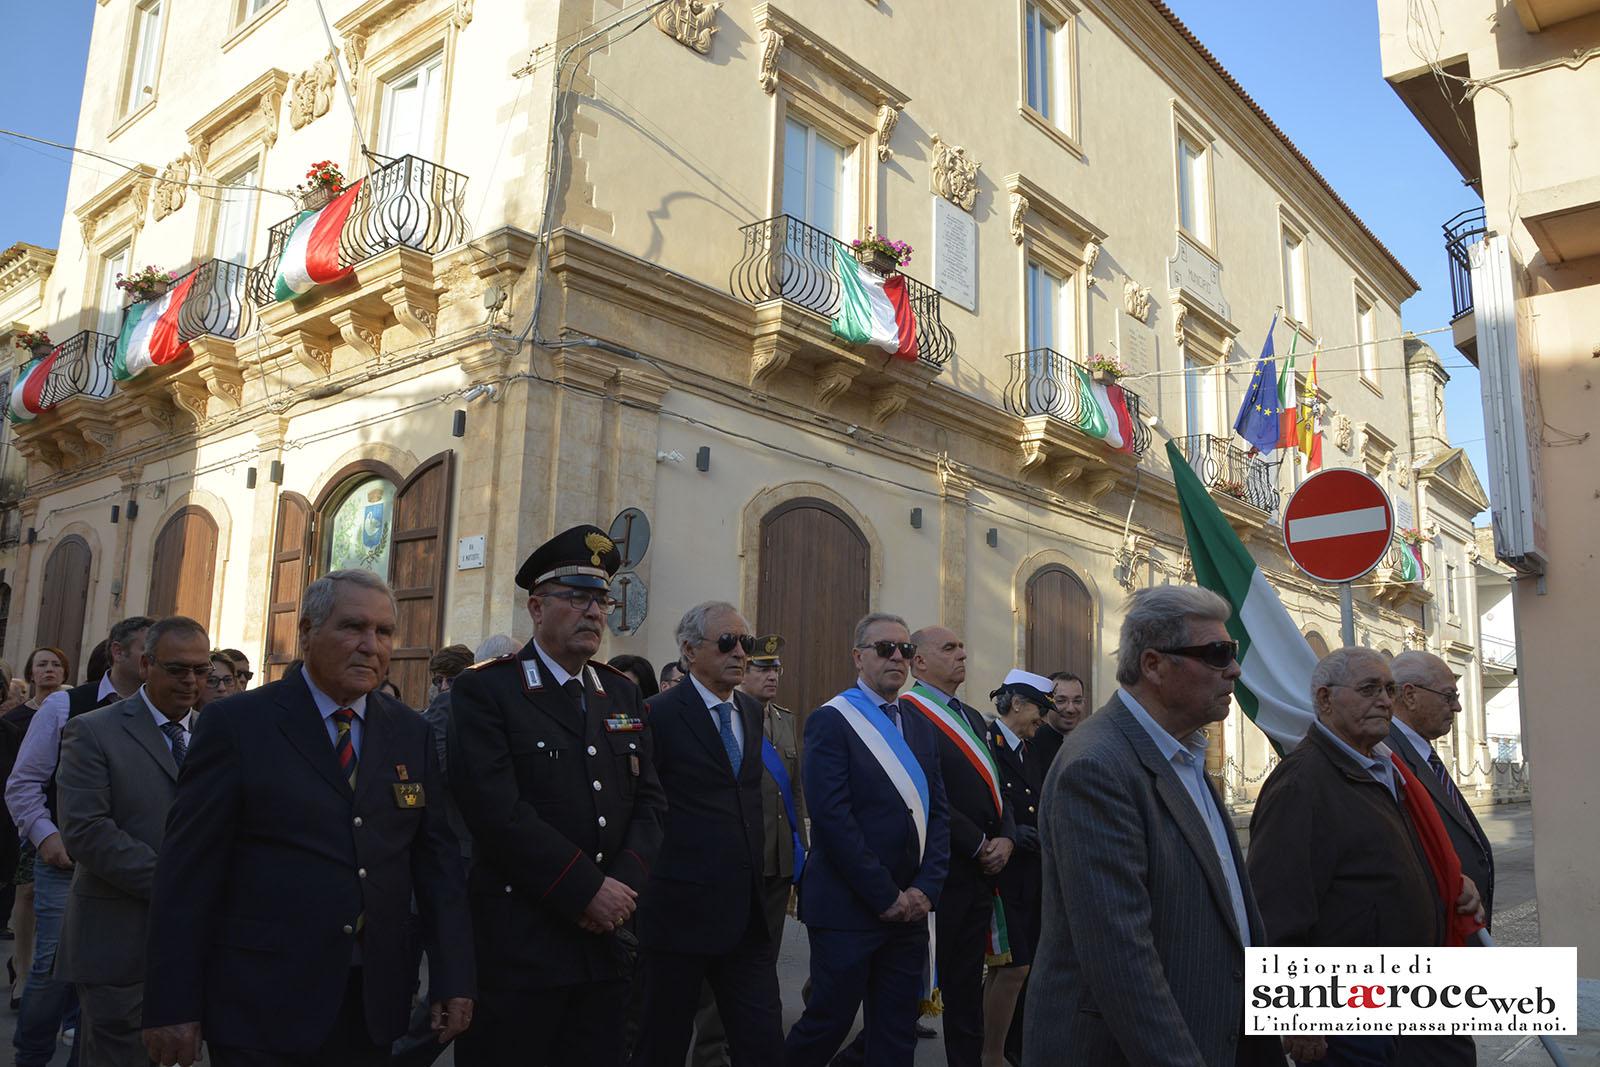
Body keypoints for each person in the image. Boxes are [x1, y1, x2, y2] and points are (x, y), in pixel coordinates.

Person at [141, 572, 474, 1067]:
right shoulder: (238, 725)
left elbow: (437, 863)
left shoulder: (410, 731)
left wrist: (452, 976)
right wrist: (171, 1003)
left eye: (383, 633)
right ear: (307, 631)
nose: (369, 646)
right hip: (262, 1004)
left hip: (372, 1003)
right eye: (353, 627)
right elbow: (186, 872)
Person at [1023, 586, 1281, 1067]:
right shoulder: (1097, 767)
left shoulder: (1181, 750)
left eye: (1234, 653)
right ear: (1154, 665)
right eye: (1218, 654)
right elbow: (1121, 961)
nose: (1235, 670)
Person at [447, 525, 666, 1067]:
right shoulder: (487, 689)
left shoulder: (620, 691)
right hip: (523, 943)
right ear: (536, 607)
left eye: (602, 600)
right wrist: (586, 892)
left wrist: (619, 890)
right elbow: (496, 812)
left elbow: (652, 804)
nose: (594, 612)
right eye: (577, 598)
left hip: (606, 943)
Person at [1248, 647, 1483, 1067]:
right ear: (1324, 699)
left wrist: (1446, 883)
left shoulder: (1384, 767)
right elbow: (1277, 907)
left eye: (1390, 689)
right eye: (1369, 689)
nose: (1385, 701)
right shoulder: (1302, 782)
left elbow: (1386, 860)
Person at [784, 613, 950, 1067]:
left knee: (896, 1035)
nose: (897, 657)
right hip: (849, 908)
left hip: (910, 911)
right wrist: (885, 895)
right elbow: (833, 820)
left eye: (905, 650)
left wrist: (925, 891)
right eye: (884, 649)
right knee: (828, 1023)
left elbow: (939, 814)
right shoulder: (832, 721)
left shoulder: (920, 726)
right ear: (859, 657)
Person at [631, 604, 782, 1067]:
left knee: (763, 1044)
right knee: (662, 1044)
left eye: (746, 644)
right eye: (727, 643)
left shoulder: (751, 715)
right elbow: (641, 809)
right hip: (678, 916)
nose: (740, 653)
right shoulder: (657, 714)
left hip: (745, 917)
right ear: (689, 650)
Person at [55, 616, 208, 1065]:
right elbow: (86, 832)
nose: (191, 681)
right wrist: (177, 884)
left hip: (201, 944)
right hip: (119, 945)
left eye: (201, 671)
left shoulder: (222, 735)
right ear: (145, 664)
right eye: (178, 669)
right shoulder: (94, 730)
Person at [7, 616, 151, 1067]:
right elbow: (25, 782)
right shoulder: (66, 706)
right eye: (148, 652)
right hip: (66, 865)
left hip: (130, 867)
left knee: (110, 979)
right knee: (54, 971)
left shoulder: (165, 709)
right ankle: (31, 1055)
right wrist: (47, 838)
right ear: (118, 652)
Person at [889, 626, 1011, 1067]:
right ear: (919, 662)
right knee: (909, 997)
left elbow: (999, 788)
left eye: (962, 646)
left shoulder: (973, 717)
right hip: (942, 873)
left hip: (982, 873)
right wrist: (978, 843)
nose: (962, 653)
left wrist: (1008, 837)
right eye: (949, 648)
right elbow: (926, 794)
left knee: (965, 992)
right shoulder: (909, 714)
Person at [690, 634, 806, 1067]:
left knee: (762, 960)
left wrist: (801, 853)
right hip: (738, 862)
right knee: (721, 961)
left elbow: (794, 794)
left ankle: (750, 1041)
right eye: (762, 668)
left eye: (775, 669)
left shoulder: (785, 720)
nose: (771, 676)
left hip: (776, 860)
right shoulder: (727, 717)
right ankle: (709, 1047)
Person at [1390, 651, 1495, 926]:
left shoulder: (1420, 752)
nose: (1457, 707)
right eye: (1449, 696)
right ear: (1410, 696)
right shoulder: (1388, 757)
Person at [981, 670, 1052, 1067]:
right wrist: (1010, 830)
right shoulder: (987, 743)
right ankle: (990, 1055)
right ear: (1017, 703)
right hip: (1003, 872)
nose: (1041, 720)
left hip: (1030, 872)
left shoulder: (1031, 748)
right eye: (1039, 710)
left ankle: (995, 1048)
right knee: (1012, 967)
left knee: (1012, 970)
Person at [2, 647, 70, 1013]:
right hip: (24, 815)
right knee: (25, 892)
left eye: (56, 664)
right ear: (30, 672)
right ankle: (24, 972)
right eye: (42, 664)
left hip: (55, 811)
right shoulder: (15, 718)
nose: (49, 670)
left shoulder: (72, 708)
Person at [1030, 671, 1085, 769]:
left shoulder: (1090, 742)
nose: (1071, 709)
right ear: (1046, 703)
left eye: (1077, 701)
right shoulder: (1032, 745)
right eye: (1061, 701)